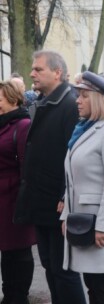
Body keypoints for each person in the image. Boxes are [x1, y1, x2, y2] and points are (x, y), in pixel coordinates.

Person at [14, 50, 86, 304]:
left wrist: (65, 196)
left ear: (57, 72)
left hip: (57, 203)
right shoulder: (44, 102)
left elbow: (74, 156)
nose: (32, 73)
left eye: (38, 69)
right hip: (42, 201)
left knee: (64, 270)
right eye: (32, 69)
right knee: (50, 267)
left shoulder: (69, 104)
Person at [59, 71, 104, 304]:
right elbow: (73, 181)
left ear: (98, 98)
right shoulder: (87, 128)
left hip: (99, 225)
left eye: (83, 96)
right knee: (94, 287)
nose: (77, 101)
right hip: (83, 222)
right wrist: (66, 216)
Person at [0, 81, 36, 304]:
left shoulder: (22, 125)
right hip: (1, 199)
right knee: (6, 249)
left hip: (15, 197)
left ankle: (19, 296)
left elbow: (27, 166)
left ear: (13, 100)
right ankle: (8, 293)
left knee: (19, 250)